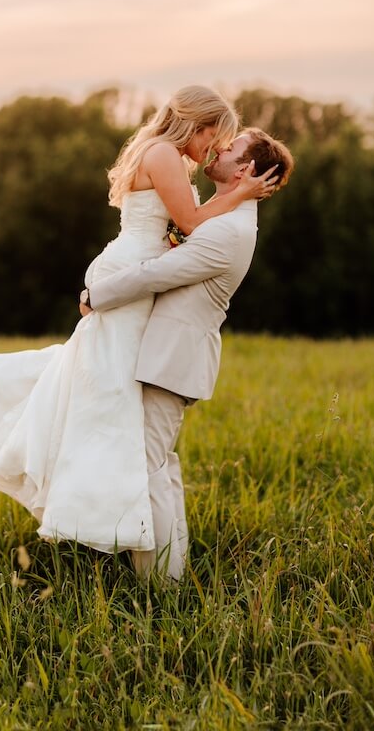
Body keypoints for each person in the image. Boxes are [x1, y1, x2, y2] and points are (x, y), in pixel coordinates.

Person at [0, 87, 277, 555]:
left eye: (224, 147)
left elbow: (183, 231)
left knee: (106, 394)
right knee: (110, 399)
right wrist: (239, 192)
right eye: (216, 137)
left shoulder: (162, 154)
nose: (215, 149)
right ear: (201, 124)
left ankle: (116, 522)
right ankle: (117, 528)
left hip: (132, 269)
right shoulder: (165, 155)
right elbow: (192, 223)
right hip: (131, 270)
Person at [80, 128, 294, 581]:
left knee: (146, 467)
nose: (220, 148)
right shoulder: (229, 218)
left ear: (245, 170)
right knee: (159, 464)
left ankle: (160, 586)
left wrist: (95, 295)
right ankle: (170, 572)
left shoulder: (231, 232)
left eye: (231, 149)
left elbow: (161, 272)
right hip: (166, 356)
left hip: (172, 360)